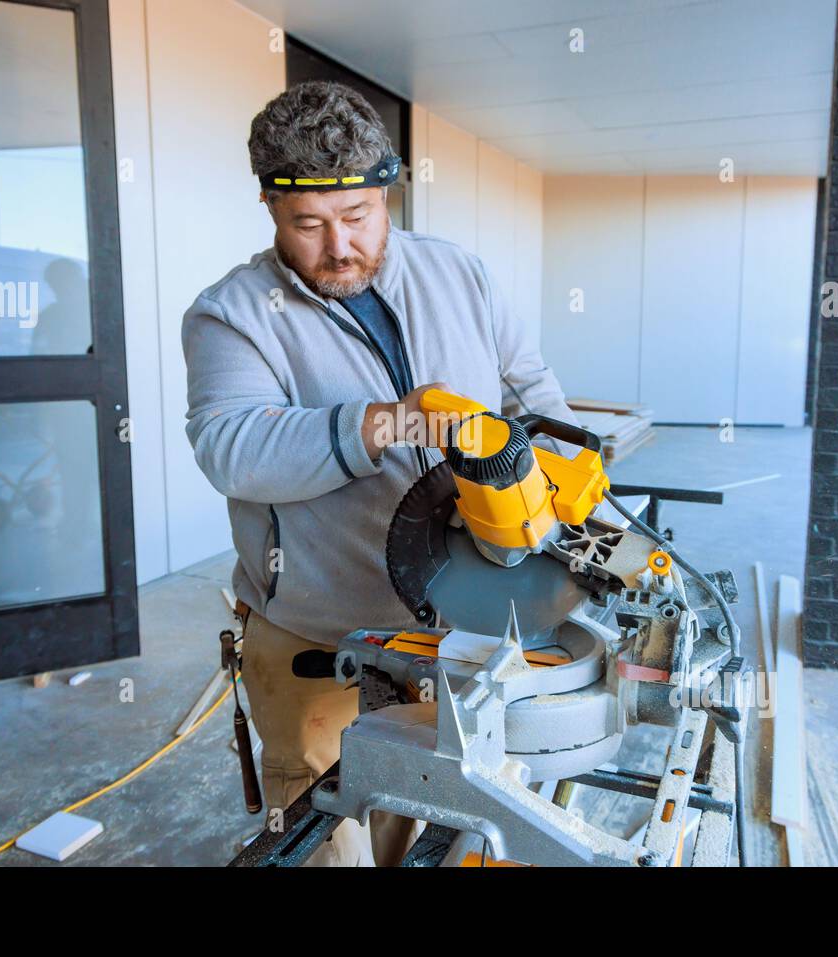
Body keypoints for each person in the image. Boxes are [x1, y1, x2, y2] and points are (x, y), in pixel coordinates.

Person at [182, 80, 576, 865]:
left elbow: (534, 394)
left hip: (461, 636)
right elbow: (228, 443)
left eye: (358, 217)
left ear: (387, 193)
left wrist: (562, 488)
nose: (340, 247)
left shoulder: (460, 274)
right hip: (321, 641)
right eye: (309, 224)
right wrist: (381, 422)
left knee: (460, 830)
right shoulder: (232, 313)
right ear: (268, 206)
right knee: (335, 844)